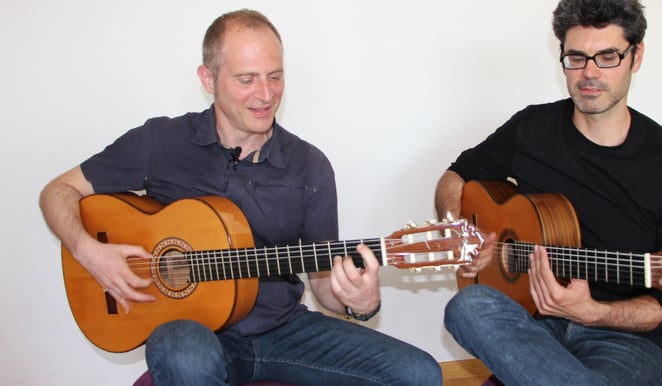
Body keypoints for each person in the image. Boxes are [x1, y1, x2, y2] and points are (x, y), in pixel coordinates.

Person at [40, 9, 441, 386]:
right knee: (184, 352)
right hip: (192, 332)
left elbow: (322, 285)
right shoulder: (159, 142)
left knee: (420, 373)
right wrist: (88, 250)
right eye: (246, 79)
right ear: (208, 79)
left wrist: (361, 301)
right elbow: (58, 191)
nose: (265, 94)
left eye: (275, 76)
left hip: (285, 330)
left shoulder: (309, 167)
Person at [435, 0, 662, 385]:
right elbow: (456, 176)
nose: (589, 73)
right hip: (534, 321)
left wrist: (593, 312)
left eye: (608, 56)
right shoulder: (531, 127)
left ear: (637, 56)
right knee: (466, 306)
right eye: (576, 58)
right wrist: (459, 231)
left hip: (625, 336)